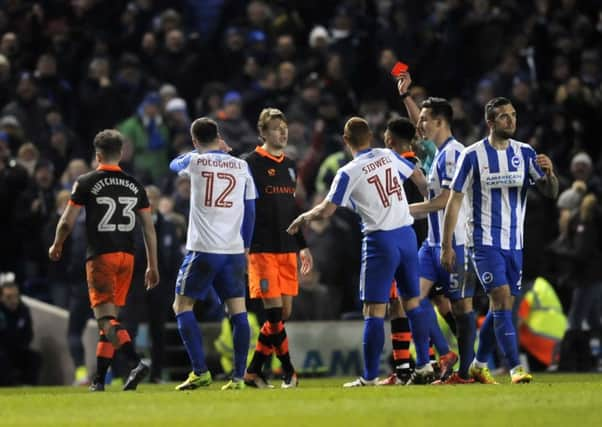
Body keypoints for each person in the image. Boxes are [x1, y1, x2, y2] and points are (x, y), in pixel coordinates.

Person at [288, 117, 435, 386]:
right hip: (407, 236)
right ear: (370, 137)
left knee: (373, 310)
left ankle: (368, 377)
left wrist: (304, 217)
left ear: (346, 141)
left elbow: (327, 210)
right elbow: (415, 172)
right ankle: (425, 364)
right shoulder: (388, 155)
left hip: (380, 241)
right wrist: (428, 196)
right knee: (412, 303)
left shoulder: (348, 172)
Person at [441, 97, 558, 384]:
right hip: (482, 241)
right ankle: (515, 368)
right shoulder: (472, 156)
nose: (511, 120)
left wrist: (551, 173)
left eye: (513, 115)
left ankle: (479, 364)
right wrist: (446, 245)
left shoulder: (525, 153)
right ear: (490, 123)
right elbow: (454, 201)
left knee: (500, 308)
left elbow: (550, 192)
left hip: (514, 244)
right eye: (504, 117)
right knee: (502, 299)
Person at [48, 129, 160, 391]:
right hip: (128, 257)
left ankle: (135, 362)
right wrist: (152, 265)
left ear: (97, 155)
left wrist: (57, 244)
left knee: (104, 320)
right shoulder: (136, 184)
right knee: (110, 320)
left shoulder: (86, 181)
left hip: (101, 256)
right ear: (120, 154)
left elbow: (67, 221)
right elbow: (148, 228)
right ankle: (99, 381)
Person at [169, 117, 255, 391]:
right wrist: (247, 247)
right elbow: (251, 209)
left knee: (182, 306)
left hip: (203, 249)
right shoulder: (242, 166)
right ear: (219, 136)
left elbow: (174, 164)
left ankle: (200, 372)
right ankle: (239, 377)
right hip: (233, 251)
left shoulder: (195, 161)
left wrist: (200, 151)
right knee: (238, 311)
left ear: (195, 141)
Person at [398, 73, 473, 384]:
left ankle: (467, 370)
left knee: (461, 307)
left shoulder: (455, 154)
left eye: (427, 119)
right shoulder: (438, 152)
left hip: (456, 242)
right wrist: (406, 98)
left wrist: (404, 211)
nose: (421, 124)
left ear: (440, 122)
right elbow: (419, 127)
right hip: (431, 243)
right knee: (410, 296)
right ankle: (440, 356)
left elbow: (444, 201)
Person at [242, 107, 313, 389]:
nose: (282, 132)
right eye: (275, 128)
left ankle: (253, 371)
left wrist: (303, 246)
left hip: (287, 248)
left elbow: (292, 208)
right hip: (261, 248)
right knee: (272, 313)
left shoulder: (290, 165)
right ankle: (289, 372)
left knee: (282, 315)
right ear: (262, 132)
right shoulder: (249, 163)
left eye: (284, 127)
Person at [0, 274, 41, 386]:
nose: (13, 300)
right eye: (9, 297)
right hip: (2, 351)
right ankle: (10, 386)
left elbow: (28, 334)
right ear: (1, 297)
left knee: (34, 357)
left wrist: (20, 345)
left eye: (15, 296)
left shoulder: (23, 310)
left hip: (17, 349)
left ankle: (30, 387)